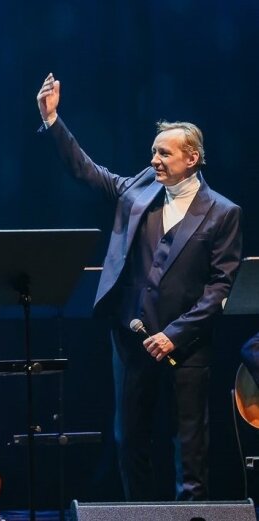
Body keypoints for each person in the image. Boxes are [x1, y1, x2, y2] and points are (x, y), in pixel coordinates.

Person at [36, 73, 243, 500]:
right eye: (153, 152)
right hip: (131, 340)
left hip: (187, 345)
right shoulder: (139, 190)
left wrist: (175, 336)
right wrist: (53, 119)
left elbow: (220, 287)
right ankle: (138, 512)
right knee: (129, 440)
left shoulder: (223, 213)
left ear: (193, 158)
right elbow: (87, 171)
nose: (155, 160)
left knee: (190, 446)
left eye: (164, 154)